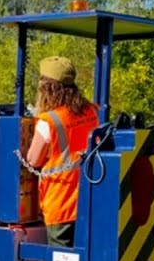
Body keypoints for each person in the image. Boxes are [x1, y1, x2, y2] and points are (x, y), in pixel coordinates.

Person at [24, 56, 100, 248]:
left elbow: (33, 160)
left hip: (62, 202)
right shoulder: (92, 111)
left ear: (46, 88)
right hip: (90, 198)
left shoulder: (48, 121)